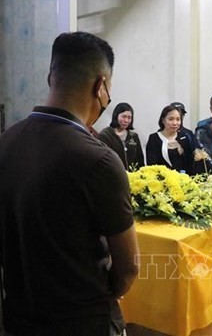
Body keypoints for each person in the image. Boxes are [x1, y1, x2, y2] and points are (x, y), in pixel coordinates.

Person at [0, 31, 139, 336]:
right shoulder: (98, 160)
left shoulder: (6, 141)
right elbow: (128, 267)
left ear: (52, 77)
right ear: (100, 86)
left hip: (18, 317)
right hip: (83, 321)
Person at [146, 104, 194, 174]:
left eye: (178, 119)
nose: (175, 123)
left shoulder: (184, 138)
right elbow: (151, 165)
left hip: (182, 180)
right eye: (171, 119)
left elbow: (190, 164)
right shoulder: (154, 138)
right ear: (163, 120)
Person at [98, 102, 145, 171]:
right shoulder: (105, 135)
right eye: (123, 117)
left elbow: (140, 160)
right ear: (116, 116)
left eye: (129, 118)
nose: (126, 120)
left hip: (132, 178)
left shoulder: (134, 137)